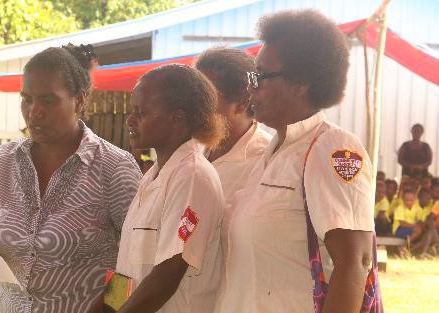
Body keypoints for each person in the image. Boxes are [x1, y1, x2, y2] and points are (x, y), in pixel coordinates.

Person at [0, 43, 141, 313]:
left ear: (79, 100)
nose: (34, 111)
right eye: (26, 98)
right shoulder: (3, 160)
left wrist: (108, 310)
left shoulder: (115, 167)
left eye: (48, 100)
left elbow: (134, 261)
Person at [214, 10, 376, 313]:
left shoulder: (331, 148)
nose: (251, 86)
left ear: (301, 82)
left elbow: (355, 262)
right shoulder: (274, 152)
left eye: (260, 76)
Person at [114, 64, 226, 313]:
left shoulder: (192, 177)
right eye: (132, 111)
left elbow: (167, 275)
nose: (130, 120)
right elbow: (127, 273)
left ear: (178, 118)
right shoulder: (153, 176)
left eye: (141, 112)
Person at [194, 47, 272, 225]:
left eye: (204, 99)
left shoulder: (265, 163)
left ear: (242, 103)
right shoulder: (191, 150)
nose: (193, 108)